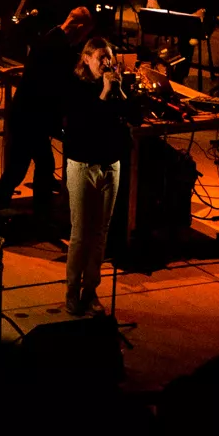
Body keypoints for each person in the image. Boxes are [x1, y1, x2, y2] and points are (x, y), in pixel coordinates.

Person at [0, 6, 91, 222]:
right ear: (78, 28)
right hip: (31, 114)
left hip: (25, 112)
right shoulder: (58, 47)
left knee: (20, 164)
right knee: (43, 163)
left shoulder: (52, 37)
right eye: (84, 35)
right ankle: (41, 214)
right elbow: (59, 85)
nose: (82, 41)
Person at [60, 36, 132, 317]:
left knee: (101, 233)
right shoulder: (75, 86)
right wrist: (103, 93)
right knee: (80, 233)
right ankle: (71, 292)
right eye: (101, 57)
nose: (106, 62)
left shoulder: (113, 86)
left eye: (109, 57)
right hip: (83, 166)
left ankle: (90, 291)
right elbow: (84, 124)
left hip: (110, 166)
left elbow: (132, 116)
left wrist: (119, 91)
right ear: (86, 59)